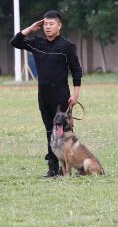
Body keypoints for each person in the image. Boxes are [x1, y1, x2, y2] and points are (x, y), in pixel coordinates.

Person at [10, 10, 83, 178]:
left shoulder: (67, 46)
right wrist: (30, 29)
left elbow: (76, 71)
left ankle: (69, 167)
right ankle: (52, 167)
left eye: (51, 24)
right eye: (46, 24)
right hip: (43, 96)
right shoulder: (38, 43)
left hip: (61, 96)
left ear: (59, 26)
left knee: (64, 131)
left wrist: (76, 94)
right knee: (49, 131)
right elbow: (15, 42)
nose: (48, 27)